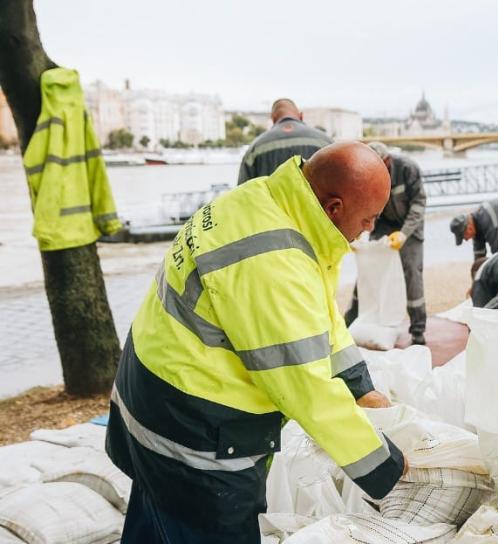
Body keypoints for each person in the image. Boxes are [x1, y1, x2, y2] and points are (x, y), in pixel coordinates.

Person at [107, 143, 407, 544]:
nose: (370, 228)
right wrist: (386, 467)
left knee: (158, 520)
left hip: (153, 386)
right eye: (368, 218)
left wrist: (359, 384)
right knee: (197, 524)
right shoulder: (275, 261)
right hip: (192, 431)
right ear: (334, 206)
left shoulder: (270, 200)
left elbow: (320, 315)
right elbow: (309, 391)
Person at [344, 142, 427, 345]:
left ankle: (418, 333)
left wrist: (404, 234)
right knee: (369, 270)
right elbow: (364, 205)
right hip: (382, 225)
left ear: (387, 161)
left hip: (409, 227)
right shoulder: (366, 174)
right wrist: (357, 235)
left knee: (412, 276)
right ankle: (349, 324)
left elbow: (418, 204)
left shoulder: (408, 168)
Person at [237, 98, 332, 183]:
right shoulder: (326, 143)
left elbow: (241, 192)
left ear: (273, 119)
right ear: (301, 116)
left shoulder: (256, 147)